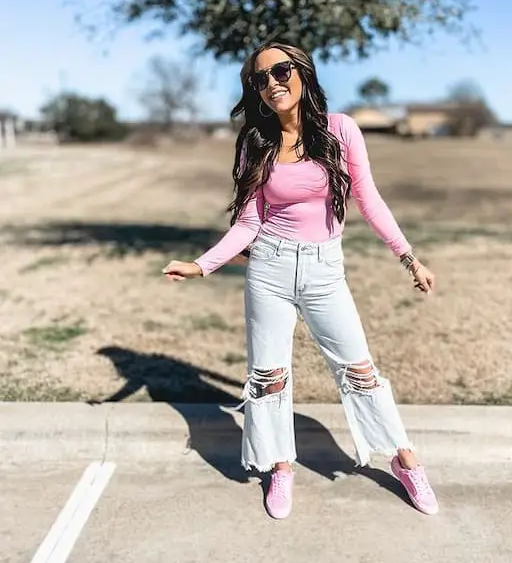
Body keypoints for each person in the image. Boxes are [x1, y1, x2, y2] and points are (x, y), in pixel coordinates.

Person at [162, 40, 439, 519]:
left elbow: (368, 200)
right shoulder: (257, 142)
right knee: (268, 378)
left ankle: (405, 460)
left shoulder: (341, 131)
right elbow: (248, 222)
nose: (272, 83)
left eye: (281, 71)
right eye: (260, 78)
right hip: (268, 268)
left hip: (324, 271)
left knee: (360, 371)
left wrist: (408, 257)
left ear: (304, 73)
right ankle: (279, 467)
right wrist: (203, 264)